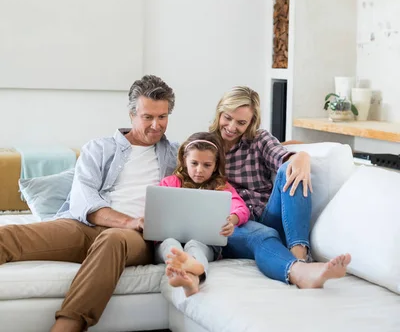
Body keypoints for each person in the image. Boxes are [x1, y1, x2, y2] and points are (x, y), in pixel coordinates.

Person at [0, 75, 178, 332]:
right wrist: (127, 220)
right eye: (147, 117)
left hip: (136, 238)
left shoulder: (178, 154)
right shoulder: (99, 148)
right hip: (86, 226)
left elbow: (211, 166)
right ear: (131, 114)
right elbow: (84, 201)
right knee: (9, 236)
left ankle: (66, 328)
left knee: (113, 239)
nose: (156, 125)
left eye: (162, 117)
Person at [209, 86, 351, 288]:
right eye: (227, 118)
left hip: (268, 215)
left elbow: (282, 158)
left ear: (251, 122)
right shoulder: (206, 145)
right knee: (261, 235)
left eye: (241, 122)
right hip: (234, 224)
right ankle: (300, 272)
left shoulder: (259, 140)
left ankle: (299, 253)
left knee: (289, 170)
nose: (232, 127)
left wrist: (300, 157)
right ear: (219, 113)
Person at [154, 132, 250, 297]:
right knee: (170, 242)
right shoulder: (170, 183)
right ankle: (189, 276)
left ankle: (192, 271)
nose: (199, 170)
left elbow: (241, 208)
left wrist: (232, 220)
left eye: (207, 165)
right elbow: (155, 211)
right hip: (167, 241)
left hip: (204, 243)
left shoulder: (221, 187)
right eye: (194, 163)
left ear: (215, 165)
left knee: (195, 245)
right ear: (184, 160)